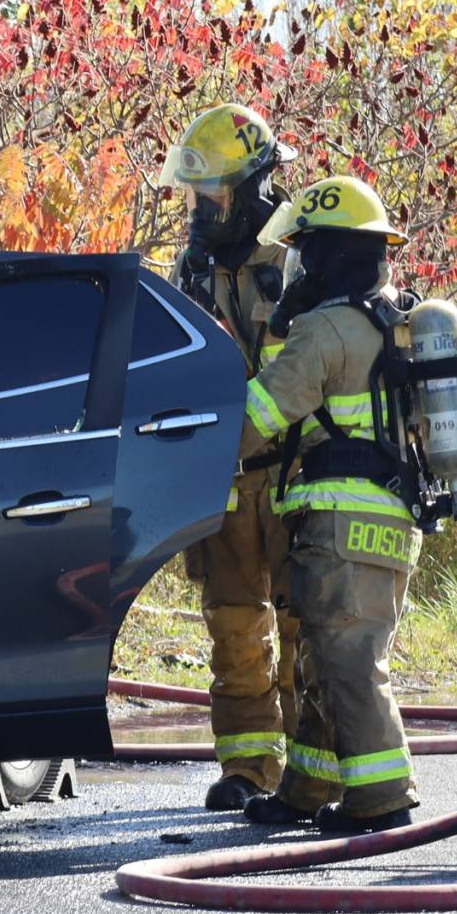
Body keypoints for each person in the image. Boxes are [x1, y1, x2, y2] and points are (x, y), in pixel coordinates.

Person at [233, 176, 425, 834]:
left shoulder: (321, 330)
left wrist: (185, 442)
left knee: (346, 661)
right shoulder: (396, 319)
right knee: (321, 658)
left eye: (304, 254)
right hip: (387, 517)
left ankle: (381, 799)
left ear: (322, 256)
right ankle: (307, 787)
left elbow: (257, 417)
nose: (296, 270)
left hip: (342, 521)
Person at [155, 104, 303, 808]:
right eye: (194, 195)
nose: (199, 209)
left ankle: (312, 775)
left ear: (249, 188)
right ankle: (247, 772)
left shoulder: (303, 254)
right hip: (227, 478)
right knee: (234, 629)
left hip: (299, 474)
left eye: (210, 193)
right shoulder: (193, 265)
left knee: (306, 627)